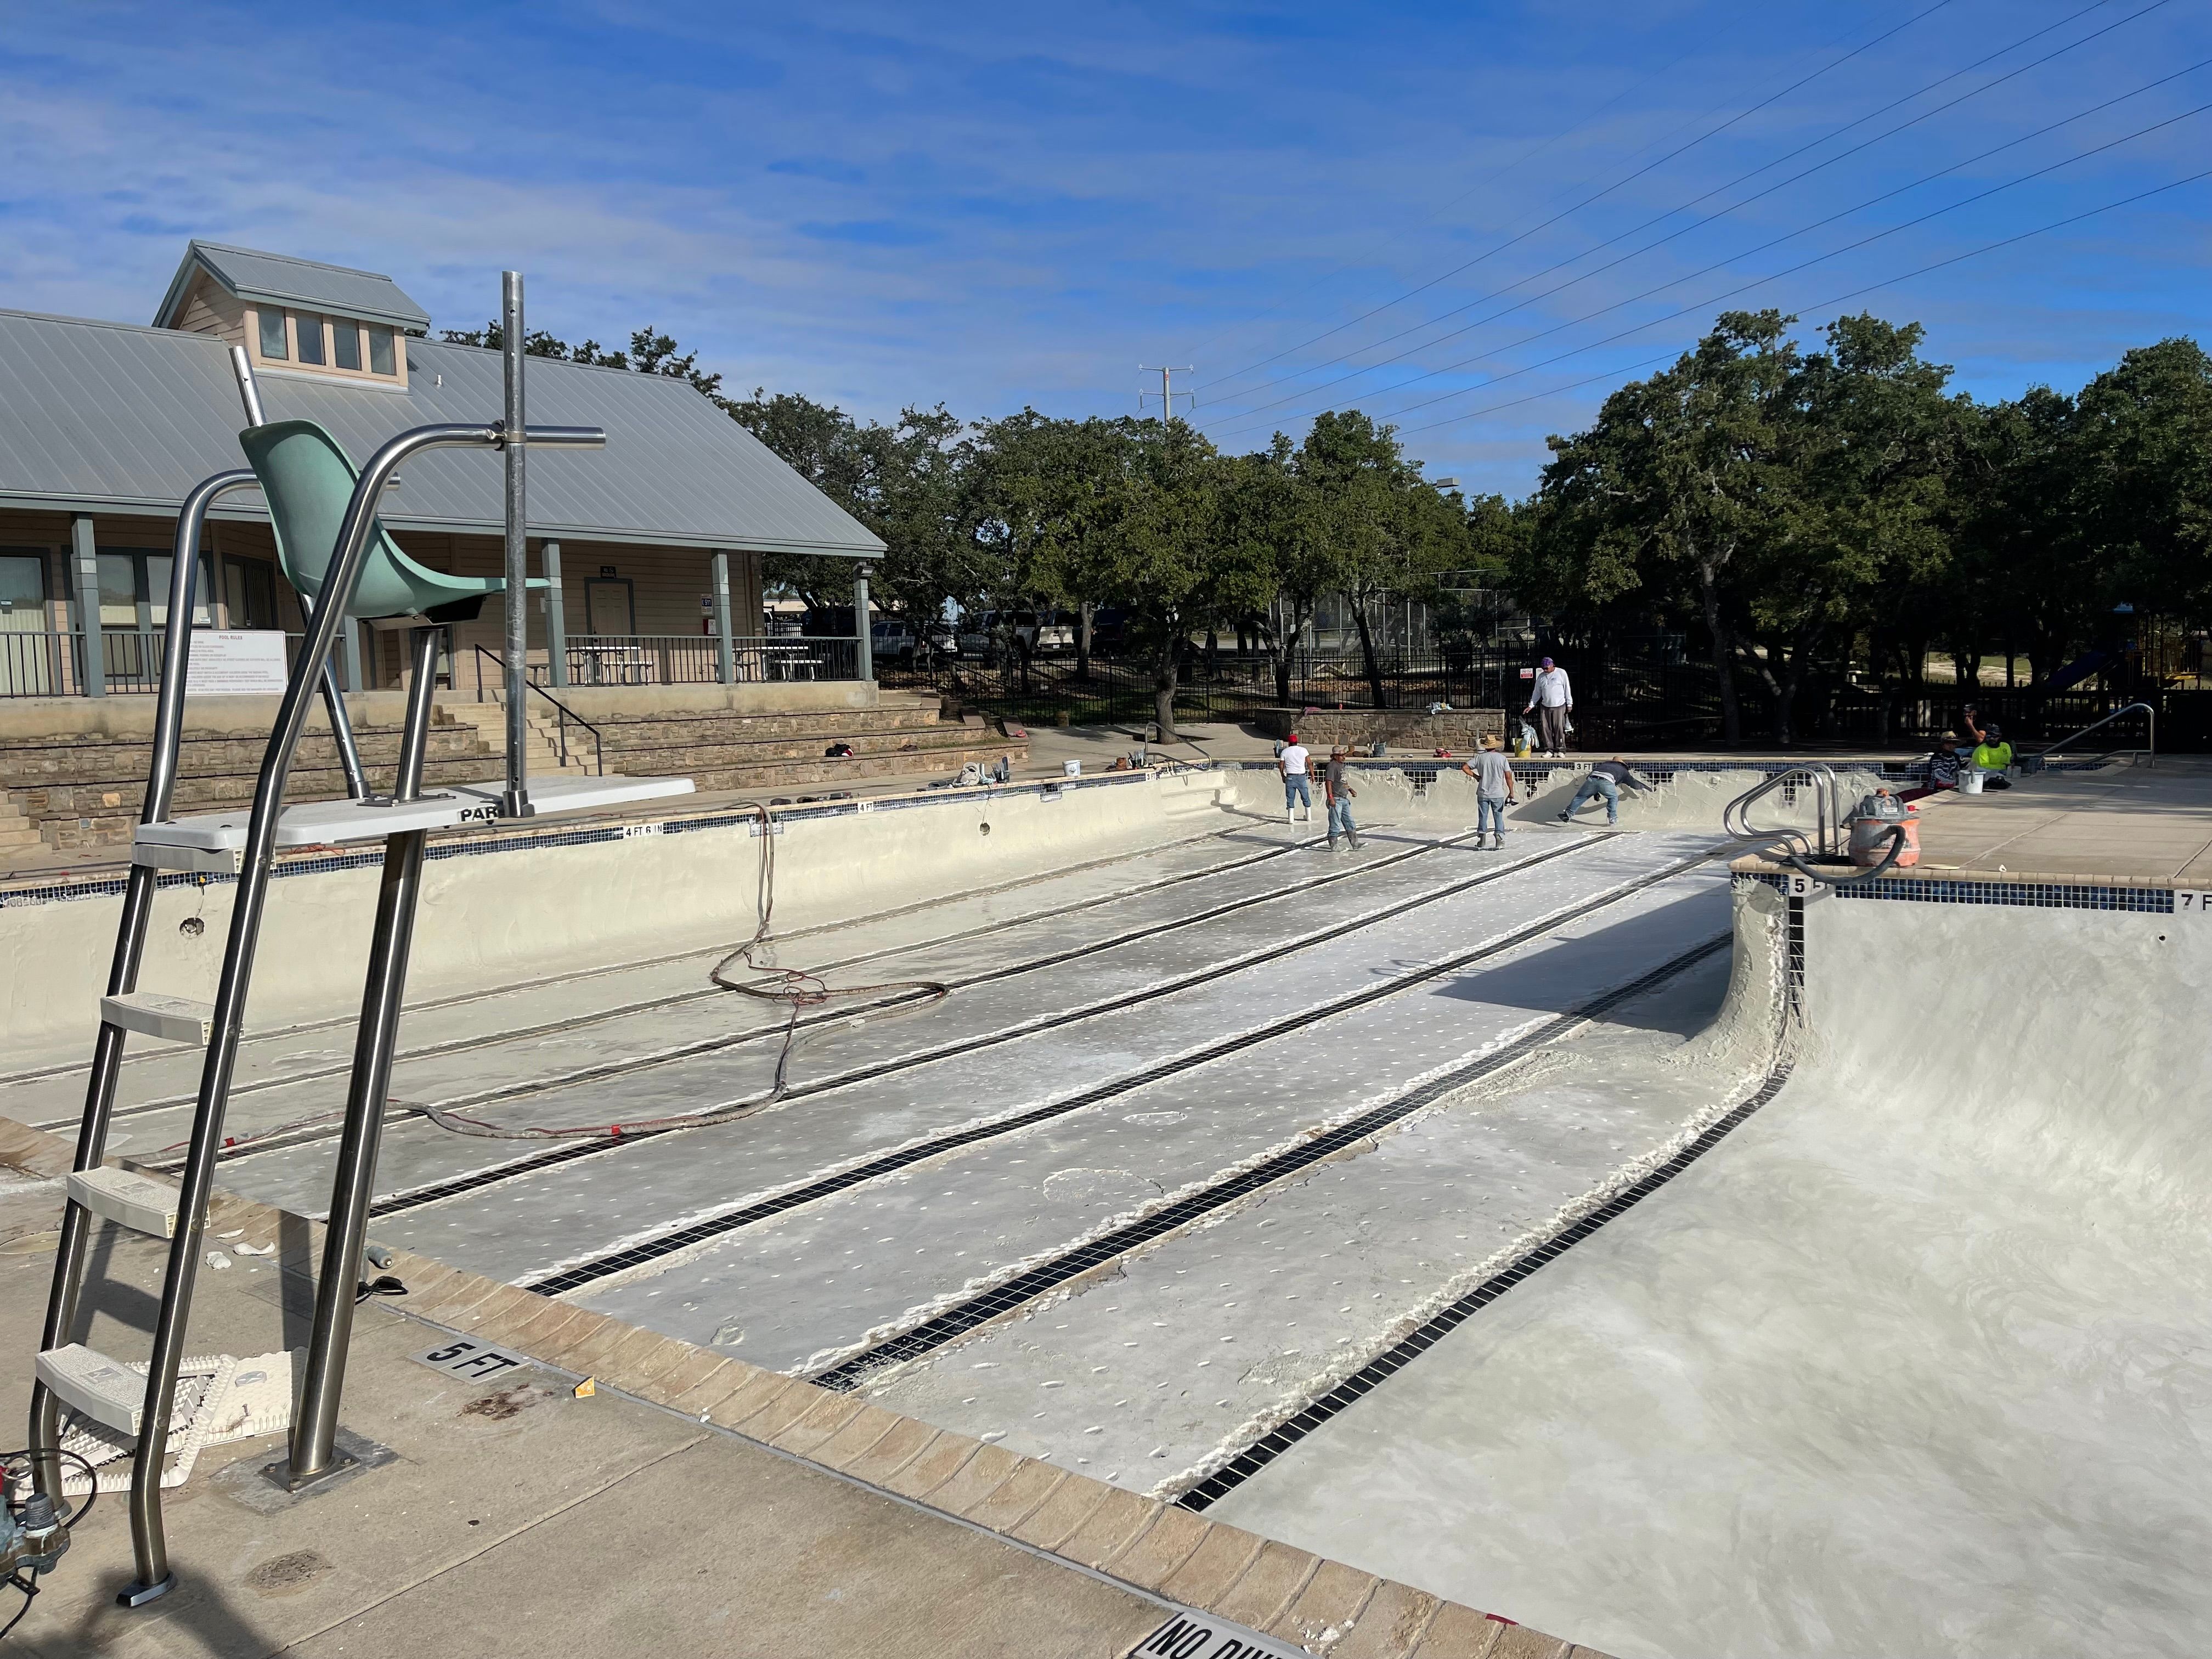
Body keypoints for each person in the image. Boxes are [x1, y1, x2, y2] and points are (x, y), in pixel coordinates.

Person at [1457, 733, 1517, 849]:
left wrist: (1476, 777)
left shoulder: (1480, 758)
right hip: (1497, 793)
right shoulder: (1502, 758)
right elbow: (1508, 777)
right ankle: (1499, 838)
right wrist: (1511, 792)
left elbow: (1465, 767)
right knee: (1498, 815)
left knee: (1483, 816)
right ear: (1496, 746)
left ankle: (1482, 839)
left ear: (1485, 746)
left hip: (1483, 793)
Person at [1556, 756, 1650, 827]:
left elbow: (1594, 777)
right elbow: (1633, 783)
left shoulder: (1604, 765)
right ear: (1623, 765)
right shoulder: (1623, 771)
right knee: (1613, 798)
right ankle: (1612, 818)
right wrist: (1646, 788)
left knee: (1580, 797)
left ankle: (1567, 815)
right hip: (1607, 781)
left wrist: (1595, 792)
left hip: (1591, 779)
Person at [1523, 656, 1573, 757]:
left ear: (1552, 665)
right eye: (1543, 668)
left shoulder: (1561, 673)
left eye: (1547, 668)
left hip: (1559, 705)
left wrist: (1569, 703)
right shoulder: (1541, 676)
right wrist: (1531, 705)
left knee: (1559, 728)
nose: (1545, 670)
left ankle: (1561, 750)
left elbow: (1567, 688)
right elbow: (1537, 692)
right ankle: (1549, 750)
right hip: (1545, 706)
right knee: (1546, 729)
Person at [1900, 733, 1963, 803]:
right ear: (1943, 745)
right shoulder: (1938, 757)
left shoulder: (1956, 756)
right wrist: (1954, 779)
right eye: (1949, 743)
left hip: (1953, 788)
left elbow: (1965, 769)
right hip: (1936, 790)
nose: (1952, 746)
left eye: (1954, 743)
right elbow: (1938, 774)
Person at [1962, 707, 2015, 789]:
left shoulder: (2005, 746)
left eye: (1968, 712)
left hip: (2000, 772)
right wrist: (2002, 766)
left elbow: (2008, 764)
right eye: (1989, 736)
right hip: (1984, 770)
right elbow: (1986, 767)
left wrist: (1970, 725)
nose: (1992, 738)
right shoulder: (1982, 750)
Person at [1323, 747, 1361, 850]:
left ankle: (1355, 844)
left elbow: (1343, 782)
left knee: (1350, 822)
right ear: (1335, 756)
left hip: (1344, 799)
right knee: (1335, 823)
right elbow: (1329, 782)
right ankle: (1334, 846)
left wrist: (1350, 790)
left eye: (1344, 755)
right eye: (1341, 755)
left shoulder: (1341, 766)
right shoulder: (1332, 766)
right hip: (1336, 799)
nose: (1344, 757)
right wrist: (1330, 798)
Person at [1279, 731, 1313, 824]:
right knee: (1305, 796)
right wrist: (1313, 775)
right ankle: (1309, 817)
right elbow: (1309, 763)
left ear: (1289, 743)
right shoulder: (1303, 750)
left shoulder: (1285, 752)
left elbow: (1281, 766)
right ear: (1297, 742)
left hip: (1290, 777)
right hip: (1301, 777)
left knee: (1290, 798)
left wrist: (1283, 776)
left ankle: (1291, 819)